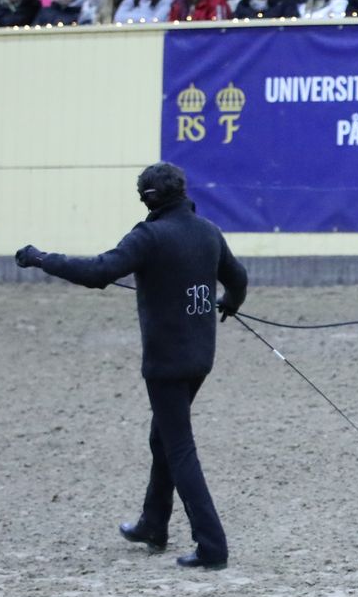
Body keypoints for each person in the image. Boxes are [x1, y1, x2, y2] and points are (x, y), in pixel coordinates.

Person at [15, 163, 248, 571]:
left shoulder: (150, 236)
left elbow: (98, 272)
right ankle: (153, 524)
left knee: (178, 448)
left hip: (166, 363)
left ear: (147, 198)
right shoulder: (207, 231)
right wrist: (230, 303)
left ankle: (213, 546)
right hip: (200, 359)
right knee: (163, 438)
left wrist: (40, 258)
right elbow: (238, 277)